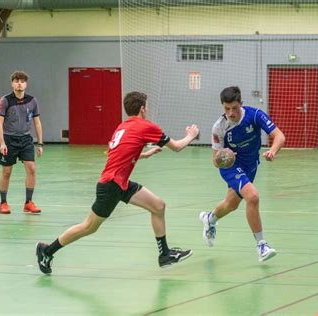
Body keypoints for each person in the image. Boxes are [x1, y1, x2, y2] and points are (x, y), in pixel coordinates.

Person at [36, 91, 199, 274]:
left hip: (120, 183)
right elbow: (176, 147)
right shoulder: (145, 126)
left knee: (158, 206)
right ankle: (47, 251)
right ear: (143, 109)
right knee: (89, 227)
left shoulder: (122, 127)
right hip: (111, 186)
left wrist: (146, 153)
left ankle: (165, 254)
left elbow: (119, 153)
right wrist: (191, 135)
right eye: (146, 107)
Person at [199, 86, 285, 262]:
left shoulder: (255, 115)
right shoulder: (219, 127)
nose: (231, 113)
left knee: (231, 204)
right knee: (252, 197)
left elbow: (279, 136)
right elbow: (215, 161)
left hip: (251, 165)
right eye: (226, 109)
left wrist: (273, 151)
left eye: (234, 108)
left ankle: (210, 218)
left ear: (241, 104)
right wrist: (225, 157)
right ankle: (262, 245)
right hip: (231, 166)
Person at [0, 71, 43, 214]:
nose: (19, 83)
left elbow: (37, 123)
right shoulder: (5, 100)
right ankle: (3, 203)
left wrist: (40, 143)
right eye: (16, 81)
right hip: (9, 140)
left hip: (26, 139)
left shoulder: (32, 101)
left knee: (32, 169)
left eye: (22, 81)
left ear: (26, 84)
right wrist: (2, 142)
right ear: (12, 84)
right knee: (6, 172)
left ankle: (28, 202)